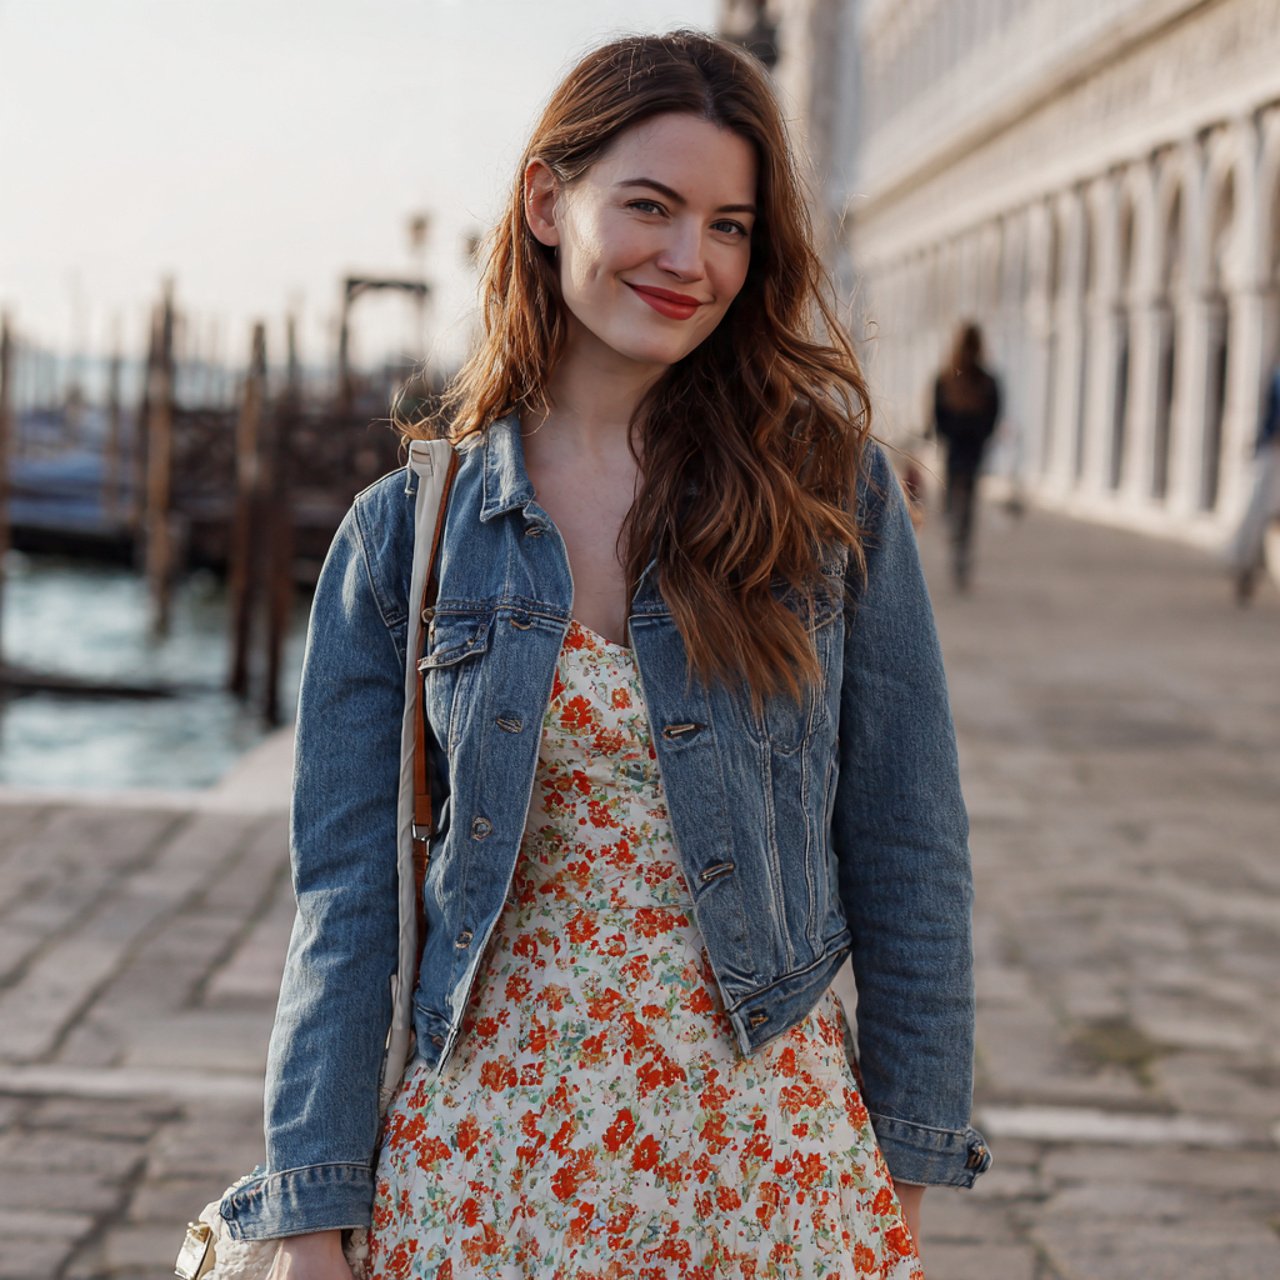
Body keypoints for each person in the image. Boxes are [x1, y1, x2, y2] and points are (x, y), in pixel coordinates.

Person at [226, 31, 990, 1280]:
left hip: (765, 1169)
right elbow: (346, 902)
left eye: (731, 225)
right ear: (545, 200)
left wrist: (900, 1168)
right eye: (651, 206)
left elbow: (911, 843)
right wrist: (309, 1218)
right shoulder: (404, 535)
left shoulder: (823, 491)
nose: (691, 259)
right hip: (486, 1173)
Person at [932, 322, 1002, 590]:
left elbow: (937, 417)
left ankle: (956, 547)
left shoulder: (947, 377)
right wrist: (980, 435)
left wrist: (949, 434)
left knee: (952, 503)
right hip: (973, 450)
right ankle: (961, 555)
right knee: (967, 505)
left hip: (955, 450)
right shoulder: (987, 380)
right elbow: (994, 416)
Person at [1225, 360, 1280, 604]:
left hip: (1272, 450)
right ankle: (1246, 570)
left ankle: (1247, 569)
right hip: (1275, 452)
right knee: (1260, 516)